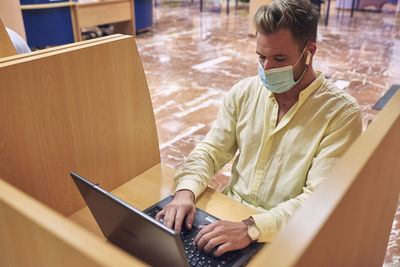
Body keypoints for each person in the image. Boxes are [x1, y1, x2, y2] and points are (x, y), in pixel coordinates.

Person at [156, 0, 362, 257]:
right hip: (229, 217)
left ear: (309, 52)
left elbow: (318, 199)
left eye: (279, 58)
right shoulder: (244, 92)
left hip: (286, 235)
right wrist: (185, 191)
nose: (266, 69)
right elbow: (211, 150)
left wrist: (251, 228)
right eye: (261, 56)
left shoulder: (341, 114)